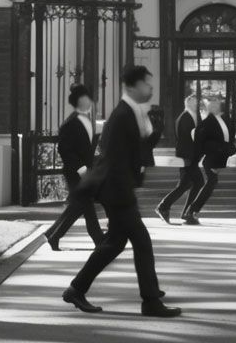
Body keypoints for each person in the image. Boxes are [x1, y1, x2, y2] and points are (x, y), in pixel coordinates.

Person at [62, 65, 181, 317]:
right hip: (117, 190)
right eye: (146, 84)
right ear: (131, 86)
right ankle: (150, 301)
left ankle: (77, 288)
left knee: (114, 243)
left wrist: (153, 133)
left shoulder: (131, 112)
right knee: (142, 241)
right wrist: (125, 193)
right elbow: (113, 158)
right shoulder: (122, 114)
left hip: (118, 188)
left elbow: (134, 151)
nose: (150, 88)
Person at [45, 85, 106, 249]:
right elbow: (64, 149)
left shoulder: (86, 121)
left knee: (80, 205)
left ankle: (53, 234)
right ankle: (98, 238)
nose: (89, 103)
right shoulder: (70, 123)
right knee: (83, 205)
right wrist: (82, 169)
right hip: (75, 172)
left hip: (85, 171)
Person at [184, 96, 235, 223]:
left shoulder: (223, 119)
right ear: (208, 108)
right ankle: (191, 212)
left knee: (211, 184)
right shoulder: (207, 122)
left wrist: (231, 149)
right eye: (211, 106)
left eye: (216, 105)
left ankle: (190, 212)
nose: (214, 107)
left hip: (219, 157)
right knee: (210, 183)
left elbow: (227, 139)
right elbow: (201, 142)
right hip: (211, 159)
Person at [155, 95, 204, 225]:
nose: (196, 104)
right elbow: (187, 138)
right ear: (187, 103)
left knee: (186, 184)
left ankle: (174, 209)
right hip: (187, 156)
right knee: (198, 182)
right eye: (193, 102)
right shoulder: (185, 117)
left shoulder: (193, 116)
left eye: (196, 102)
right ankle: (184, 212)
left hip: (191, 156)